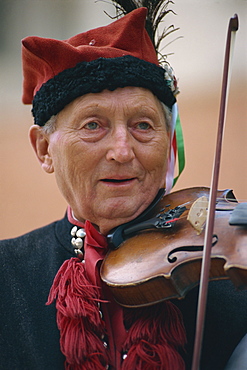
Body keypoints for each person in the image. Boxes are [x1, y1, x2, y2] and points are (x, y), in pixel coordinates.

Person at [0, 3, 246, 370]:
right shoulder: (8, 279)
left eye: (143, 125)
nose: (122, 151)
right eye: (93, 125)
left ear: (169, 146)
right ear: (44, 149)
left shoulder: (231, 279)